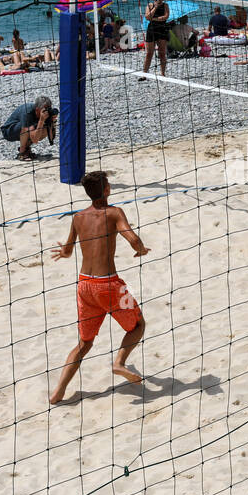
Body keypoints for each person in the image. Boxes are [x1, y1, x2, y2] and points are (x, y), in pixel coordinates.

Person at [48, 170, 148, 404]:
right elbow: (132, 239)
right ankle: (119, 363)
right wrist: (140, 249)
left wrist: (62, 253)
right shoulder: (114, 212)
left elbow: (68, 250)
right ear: (106, 190)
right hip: (109, 285)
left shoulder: (78, 217)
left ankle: (59, 391)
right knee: (138, 326)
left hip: (84, 286)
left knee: (84, 343)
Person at [1, 95, 56, 161]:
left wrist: (52, 122)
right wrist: (41, 121)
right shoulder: (28, 111)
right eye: (44, 110)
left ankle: (27, 149)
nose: (46, 112)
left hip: (25, 130)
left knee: (41, 128)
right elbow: (34, 139)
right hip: (9, 131)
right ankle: (22, 153)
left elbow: (51, 138)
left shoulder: (44, 115)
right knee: (28, 127)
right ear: (37, 110)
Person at [142, 0, 170, 77]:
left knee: (162, 53)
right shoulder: (150, 5)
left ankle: (163, 73)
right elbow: (147, 16)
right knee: (149, 53)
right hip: (152, 30)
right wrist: (156, 7)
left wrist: (153, 19)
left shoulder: (165, 5)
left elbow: (166, 17)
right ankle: (144, 73)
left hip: (162, 29)